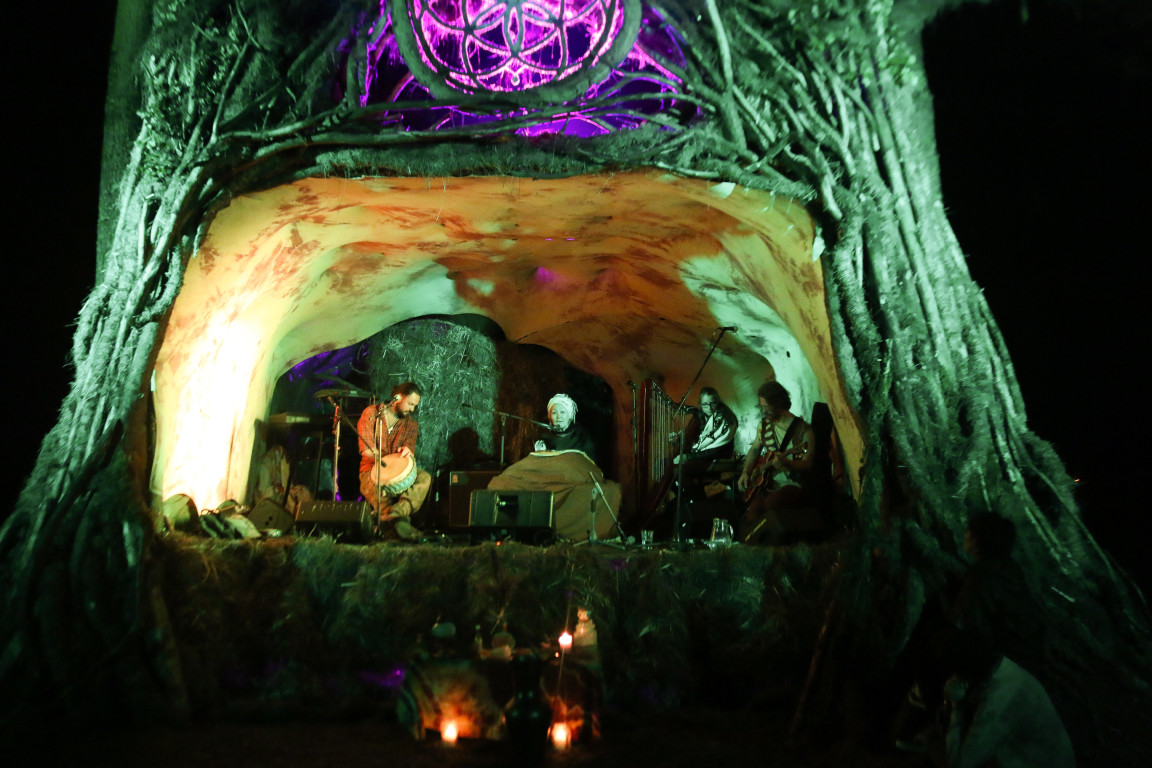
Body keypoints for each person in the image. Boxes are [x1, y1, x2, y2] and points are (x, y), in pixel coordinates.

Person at [938, 627, 1074, 768]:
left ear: (968, 672)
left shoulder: (1000, 699)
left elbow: (959, 764)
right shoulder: (1002, 668)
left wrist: (957, 708)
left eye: (958, 674)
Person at [736, 381, 817, 544]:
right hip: (768, 483)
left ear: (779, 403)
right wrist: (746, 472)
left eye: (766, 407)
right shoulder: (764, 425)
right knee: (751, 514)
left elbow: (808, 464)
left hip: (794, 485)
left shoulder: (804, 430)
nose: (763, 411)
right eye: (761, 407)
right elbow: (755, 450)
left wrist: (788, 464)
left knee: (770, 506)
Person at [357, 381, 432, 538]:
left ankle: (396, 514)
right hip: (371, 471)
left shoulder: (411, 424)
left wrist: (407, 453)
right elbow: (366, 451)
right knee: (381, 499)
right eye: (410, 404)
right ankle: (397, 524)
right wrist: (385, 458)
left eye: (415, 406)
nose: (412, 409)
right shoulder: (371, 414)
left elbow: (408, 452)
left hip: (398, 475)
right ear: (398, 397)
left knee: (424, 477)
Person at [672, 386, 738, 464]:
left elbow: (716, 451)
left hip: (719, 461)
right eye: (705, 404)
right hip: (703, 459)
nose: (709, 408)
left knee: (679, 469)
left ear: (718, 402)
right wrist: (677, 441)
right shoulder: (701, 416)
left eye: (712, 403)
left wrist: (688, 457)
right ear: (700, 404)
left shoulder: (726, 419)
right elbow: (696, 443)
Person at [534, 393, 596, 464]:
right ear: (549, 416)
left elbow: (588, 464)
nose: (558, 416)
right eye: (554, 413)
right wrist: (540, 454)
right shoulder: (544, 439)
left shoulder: (581, 438)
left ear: (569, 415)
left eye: (562, 412)